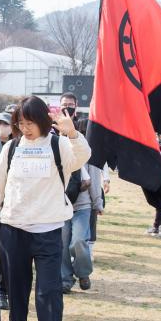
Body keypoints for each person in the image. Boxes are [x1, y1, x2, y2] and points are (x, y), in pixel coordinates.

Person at [0, 96, 91, 321]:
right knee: (16, 289)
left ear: (42, 121)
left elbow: (83, 155)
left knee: (49, 292)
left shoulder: (57, 144)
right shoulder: (11, 149)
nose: (26, 128)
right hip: (13, 230)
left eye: (30, 123)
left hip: (49, 230)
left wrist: (71, 131)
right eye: (21, 123)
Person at [61, 119, 104, 293]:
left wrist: (97, 203)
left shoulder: (86, 152)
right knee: (62, 245)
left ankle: (83, 271)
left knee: (78, 241)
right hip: (61, 206)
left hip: (83, 206)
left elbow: (93, 181)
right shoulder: (57, 148)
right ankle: (64, 279)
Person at [0, 111, 14, 309]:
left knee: (4, 253)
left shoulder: (16, 147)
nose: (1, 127)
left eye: (5, 123)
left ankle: (2, 291)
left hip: (9, 208)